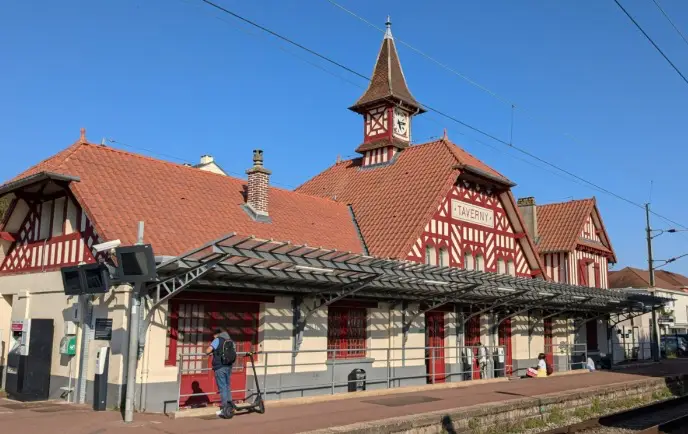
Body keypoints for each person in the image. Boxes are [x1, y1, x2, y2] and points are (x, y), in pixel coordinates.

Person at [206, 327, 235, 418]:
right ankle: (230, 407)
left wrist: (210, 351)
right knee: (227, 386)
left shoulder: (217, 340)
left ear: (216, 334)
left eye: (213, 336)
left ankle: (224, 409)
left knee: (222, 388)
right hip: (228, 366)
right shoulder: (229, 340)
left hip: (220, 367)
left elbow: (208, 351)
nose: (213, 337)